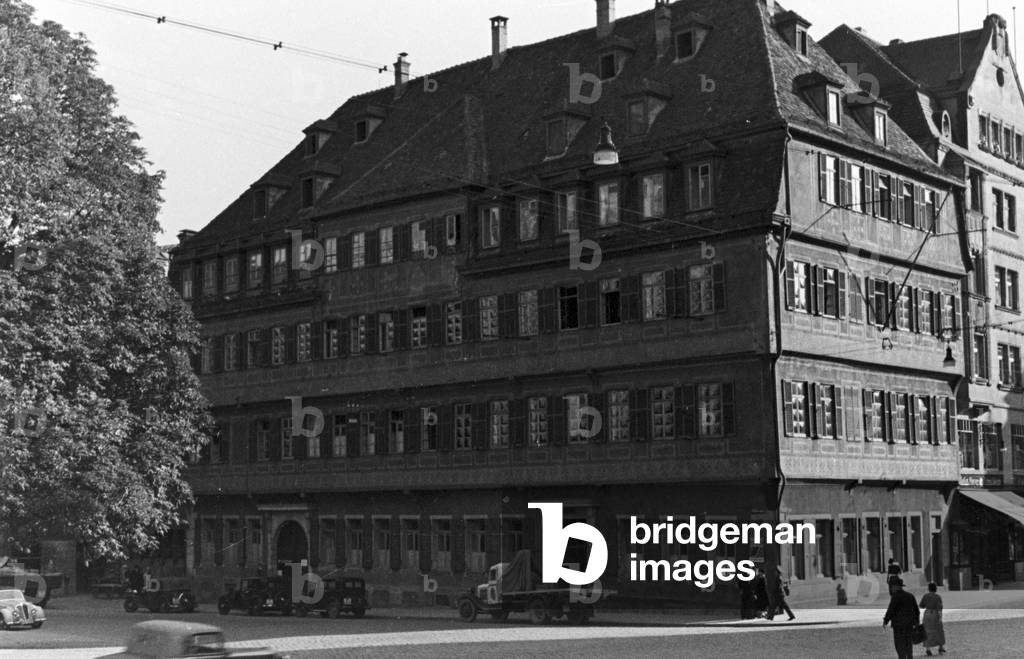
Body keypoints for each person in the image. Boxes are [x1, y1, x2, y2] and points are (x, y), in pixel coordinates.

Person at [883, 578, 920, 659]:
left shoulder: (895, 597)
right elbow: (917, 611)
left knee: (899, 645)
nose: (891, 589)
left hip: (898, 626)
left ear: (895, 587)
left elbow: (891, 610)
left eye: (891, 587)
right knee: (908, 644)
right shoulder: (910, 596)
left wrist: (885, 620)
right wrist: (916, 623)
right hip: (909, 625)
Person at [919, 582, 946, 656]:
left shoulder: (925, 596)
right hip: (935, 614)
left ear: (929, 589)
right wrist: (940, 617)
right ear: (935, 588)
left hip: (927, 614)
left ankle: (928, 649)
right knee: (939, 630)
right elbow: (939, 608)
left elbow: (921, 606)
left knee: (927, 631)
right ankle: (940, 647)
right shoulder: (938, 597)